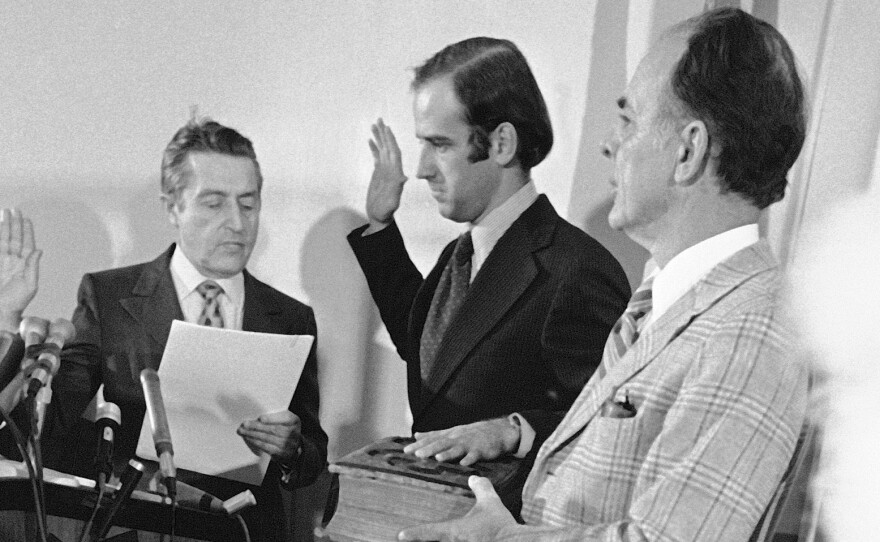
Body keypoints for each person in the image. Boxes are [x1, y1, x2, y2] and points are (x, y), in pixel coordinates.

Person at [399, 7, 810, 541]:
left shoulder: (749, 334)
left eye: (629, 119)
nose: (609, 145)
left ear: (687, 151)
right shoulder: (666, 301)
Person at [42, 119, 328, 541]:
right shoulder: (108, 298)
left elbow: (312, 455)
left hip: (244, 530)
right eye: (214, 203)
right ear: (172, 206)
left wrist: (292, 450)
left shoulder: (291, 317)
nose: (237, 222)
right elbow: (47, 431)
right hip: (134, 527)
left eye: (248, 204)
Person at [348, 37, 630, 455]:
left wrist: (512, 431)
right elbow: (434, 356)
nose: (422, 169)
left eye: (440, 145)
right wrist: (381, 224)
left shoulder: (577, 270)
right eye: (422, 145)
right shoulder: (460, 255)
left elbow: (609, 428)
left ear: (501, 144)